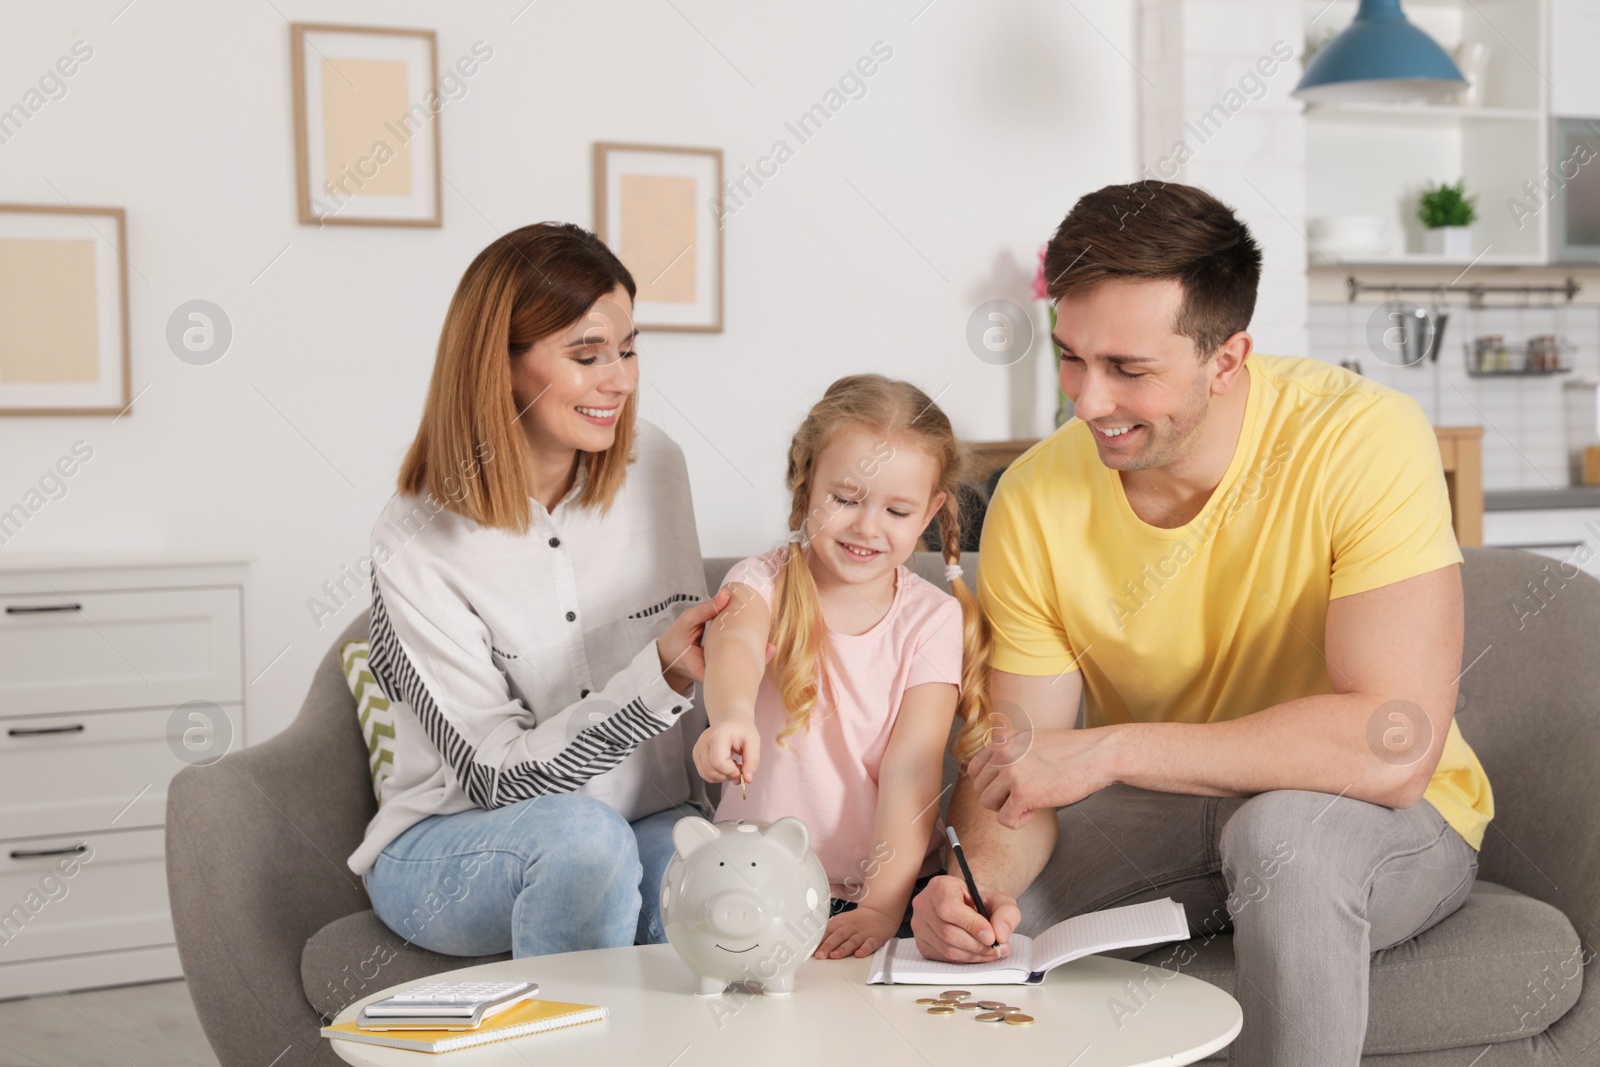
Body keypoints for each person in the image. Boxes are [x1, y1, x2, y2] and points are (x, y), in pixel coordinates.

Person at [909, 182, 1493, 1066]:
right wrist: (965, 882)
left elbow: (1392, 744)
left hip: (1375, 818)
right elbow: (1020, 768)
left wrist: (1110, 751)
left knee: (1283, 835)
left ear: (1227, 360)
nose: (1086, 400)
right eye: (1071, 357)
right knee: (977, 930)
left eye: (1129, 370)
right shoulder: (1034, 496)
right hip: (1176, 814)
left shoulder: (1362, 439)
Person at [351, 222, 737, 958]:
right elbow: (493, 773)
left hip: (645, 816)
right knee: (584, 844)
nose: (619, 378)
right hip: (463, 837)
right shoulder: (416, 534)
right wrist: (657, 678)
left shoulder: (657, 463)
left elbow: (705, 664)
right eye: (587, 355)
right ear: (499, 365)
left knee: (716, 877)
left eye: (627, 350)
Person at [695, 375, 993, 960]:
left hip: (881, 892)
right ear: (807, 487)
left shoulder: (931, 618)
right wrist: (729, 716)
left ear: (930, 511)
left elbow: (911, 769)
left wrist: (881, 906)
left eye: (897, 509)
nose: (866, 526)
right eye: (845, 499)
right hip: (755, 881)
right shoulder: (761, 583)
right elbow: (734, 648)